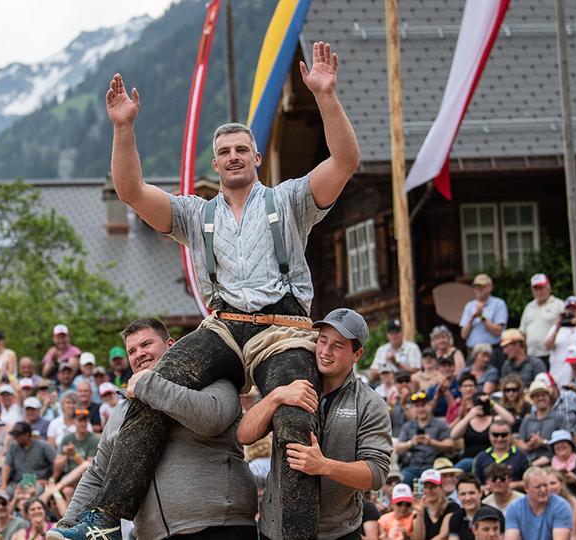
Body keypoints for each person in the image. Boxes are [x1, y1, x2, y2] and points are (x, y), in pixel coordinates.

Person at [73, 41, 361, 539]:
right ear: (216, 161)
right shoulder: (196, 213)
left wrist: (326, 96)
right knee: (152, 386)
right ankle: (103, 517)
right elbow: (131, 192)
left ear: (255, 159)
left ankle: (295, 536)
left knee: (296, 413)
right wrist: (123, 129)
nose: (232, 158)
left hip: (284, 329)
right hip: (224, 327)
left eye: (240, 150)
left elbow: (345, 160)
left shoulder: (289, 199)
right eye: (223, 152)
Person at [55, 318, 263, 540]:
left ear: (172, 345)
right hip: (154, 535)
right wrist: (67, 523)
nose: (139, 354)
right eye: (132, 351)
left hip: (220, 527)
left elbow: (211, 419)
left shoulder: (215, 381)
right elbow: (98, 472)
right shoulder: (122, 411)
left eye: (146, 344)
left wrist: (149, 386)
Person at [241, 308, 392, 540]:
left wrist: (324, 466)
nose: (325, 352)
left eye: (338, 345)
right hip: (275, 529)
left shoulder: (370, 403)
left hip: (338, 532)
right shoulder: (292, 381)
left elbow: (376, 474)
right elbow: (244, 435)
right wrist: (277, 396)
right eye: (322, 341)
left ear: (357, 354)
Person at [396, 391, 453, 486]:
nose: (421, 409)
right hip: (412, 467)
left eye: (423, 405)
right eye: (417, 406)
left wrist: (432, 443)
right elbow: (398, 448)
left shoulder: (440, 423)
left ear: (429, 405)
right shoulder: (408, 426)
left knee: (432, 483)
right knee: (401, 484)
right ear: (413, 408)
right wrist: (410, 443)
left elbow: (450, 445)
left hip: (433, 466)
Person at [450, 390, 515, 473]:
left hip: (489, 459)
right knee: (464, 464)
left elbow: (511, 420)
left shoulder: (494, 420)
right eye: (478, 403)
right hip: (469, 459)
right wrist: (470, 415)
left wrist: (492, 402)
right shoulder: (468, 421)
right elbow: (453, 435)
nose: (481, 406)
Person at [503, 467, 572, 540]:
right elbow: (511, 537)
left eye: (545, 485)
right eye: (538, 487)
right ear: (526, 488)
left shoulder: (561, 506)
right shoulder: (514, 508)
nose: (543, 490)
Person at [544, 295, 576, 386]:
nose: (571, 311)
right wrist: (557, 327)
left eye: (574, 309)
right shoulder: (556, 327)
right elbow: (547, 346)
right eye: (569, 309)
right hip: (559, 375)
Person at [460, 274, 508, 367]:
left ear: (490, 287)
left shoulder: (499, 304)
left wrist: (482, 317)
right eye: (476, 287)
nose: (479, 289)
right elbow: (463, 335)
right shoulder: (469, 306)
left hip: (492, 351)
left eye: (482, 286)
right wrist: (472, 318)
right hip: (473, 351)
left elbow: (497, 331)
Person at [519, 273, 563, 367]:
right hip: (532, 355)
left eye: (541, 288)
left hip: (552, 354)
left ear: (548, 288)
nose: (539, 292)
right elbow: (523, 333)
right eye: (536, 289)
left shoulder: (558, 305)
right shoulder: (529, 307)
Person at [516, 381, 566, 462]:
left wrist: (543, 442)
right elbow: (520, 442)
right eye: (537, 396)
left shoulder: (558, 418)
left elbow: (564, 442)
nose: (540, 398)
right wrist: (529, 445)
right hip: (529, 459)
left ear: (548, 397)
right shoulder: (527, 419)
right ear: (532, 399)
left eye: (543, 395)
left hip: (552, 460)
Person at [473, 420, 529, 491]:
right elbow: (474, 484)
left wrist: (513, 485)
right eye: (495, 435)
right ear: (489, 435)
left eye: (504, 435)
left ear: (510, 435)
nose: (499, 439)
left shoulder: (521, 456)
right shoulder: (480, 457)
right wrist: (487, 487)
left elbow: (530, 481)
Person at [1, 422, 57, 493]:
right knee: (1, 494)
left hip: (38, 482)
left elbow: (58, 461)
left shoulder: (42, 446)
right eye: (14, 435)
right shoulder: (13, 447)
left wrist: (51, 480)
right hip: (18, 483)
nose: (15, 437)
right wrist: (3, 484)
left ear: (27, 434)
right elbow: (6, 465)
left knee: (35, 491)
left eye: (18, 435)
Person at [447, 475, 503, 540]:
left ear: (480, 493)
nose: (467, 498)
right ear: (458, 496)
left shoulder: (496, 514)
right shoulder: (455, 518)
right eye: (463, 494)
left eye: (471, 493)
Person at [547, 430, 576, 507]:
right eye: (556, 443)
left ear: (571, 445)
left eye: (563, 442)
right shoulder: (548, 465)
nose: (560, 445)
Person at [413, 469, 462, 540]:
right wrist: (420, 513)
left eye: (433, 486)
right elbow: (418, 538)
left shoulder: (452, 507)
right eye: (425, 487)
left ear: (441, 488)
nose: (429, 490)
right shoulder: (419, 512)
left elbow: (443, 535)